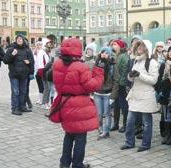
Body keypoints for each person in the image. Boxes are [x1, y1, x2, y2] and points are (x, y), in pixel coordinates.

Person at [52, 38, 104, 168]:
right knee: (80, 138)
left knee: (68, 135)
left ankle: (64, 163)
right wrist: (99, 73)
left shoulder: (57, 64)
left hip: (64, 102)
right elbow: (92, 86)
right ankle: (77, 164)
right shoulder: (81, 66)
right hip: (79, 105)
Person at [120, 40, 160, 152]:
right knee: (129, 121)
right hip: (135, 94)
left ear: (147, 48)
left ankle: (146, 144)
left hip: (146, 95)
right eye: (138, 45)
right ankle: (129, 142)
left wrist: (140, 75)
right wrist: (130, 76)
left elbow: (154, 80)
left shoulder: (152, 62)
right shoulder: (136, 61)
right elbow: (131, 79)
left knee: (146, 122)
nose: (139, 47)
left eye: (142, 46)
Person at [2, 34, 34, 115]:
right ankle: (15, 108)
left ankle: (22, 106)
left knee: (23, 91)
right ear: (16, 40)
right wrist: (12, 55)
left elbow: (32, 61)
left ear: (23, 40)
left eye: (21, 39)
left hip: (24, 75)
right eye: (18, 39)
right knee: (15, 92)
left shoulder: (27, 50)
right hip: (14, 75)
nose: (19, 40)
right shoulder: (11, 49)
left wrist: (29, 62)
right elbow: (5, 60)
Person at [156, 44, 171, 145]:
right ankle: (167, 134)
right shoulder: (163, 65)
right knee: (166, 115)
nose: (170, 53)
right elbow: (159, 79)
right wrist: (159, 90)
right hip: (165, 93)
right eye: (169, 51)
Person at [94, 47, 119, 139]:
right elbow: (92, 77)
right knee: (99, 113)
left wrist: (113, 96)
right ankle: (100, 127)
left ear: (109, 55)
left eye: (106, 53)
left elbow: (116, 81)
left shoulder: (113, 65)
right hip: (97, 93)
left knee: (107, 113)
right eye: (102, 53)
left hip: (108, 94)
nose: (104, 55)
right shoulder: (96, 63)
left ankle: (106, 131)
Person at [111, 39, 129, 133]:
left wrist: (121, 82)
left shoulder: (123, 56)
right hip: (116, 84)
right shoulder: (115, 56)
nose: (113, 46)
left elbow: (124, 70)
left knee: (123, 105)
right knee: (116, 105)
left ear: (120, 46)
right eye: (113, 44)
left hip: (121, 84)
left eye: (115, 44)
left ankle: (125, 124)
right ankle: (115, 123)